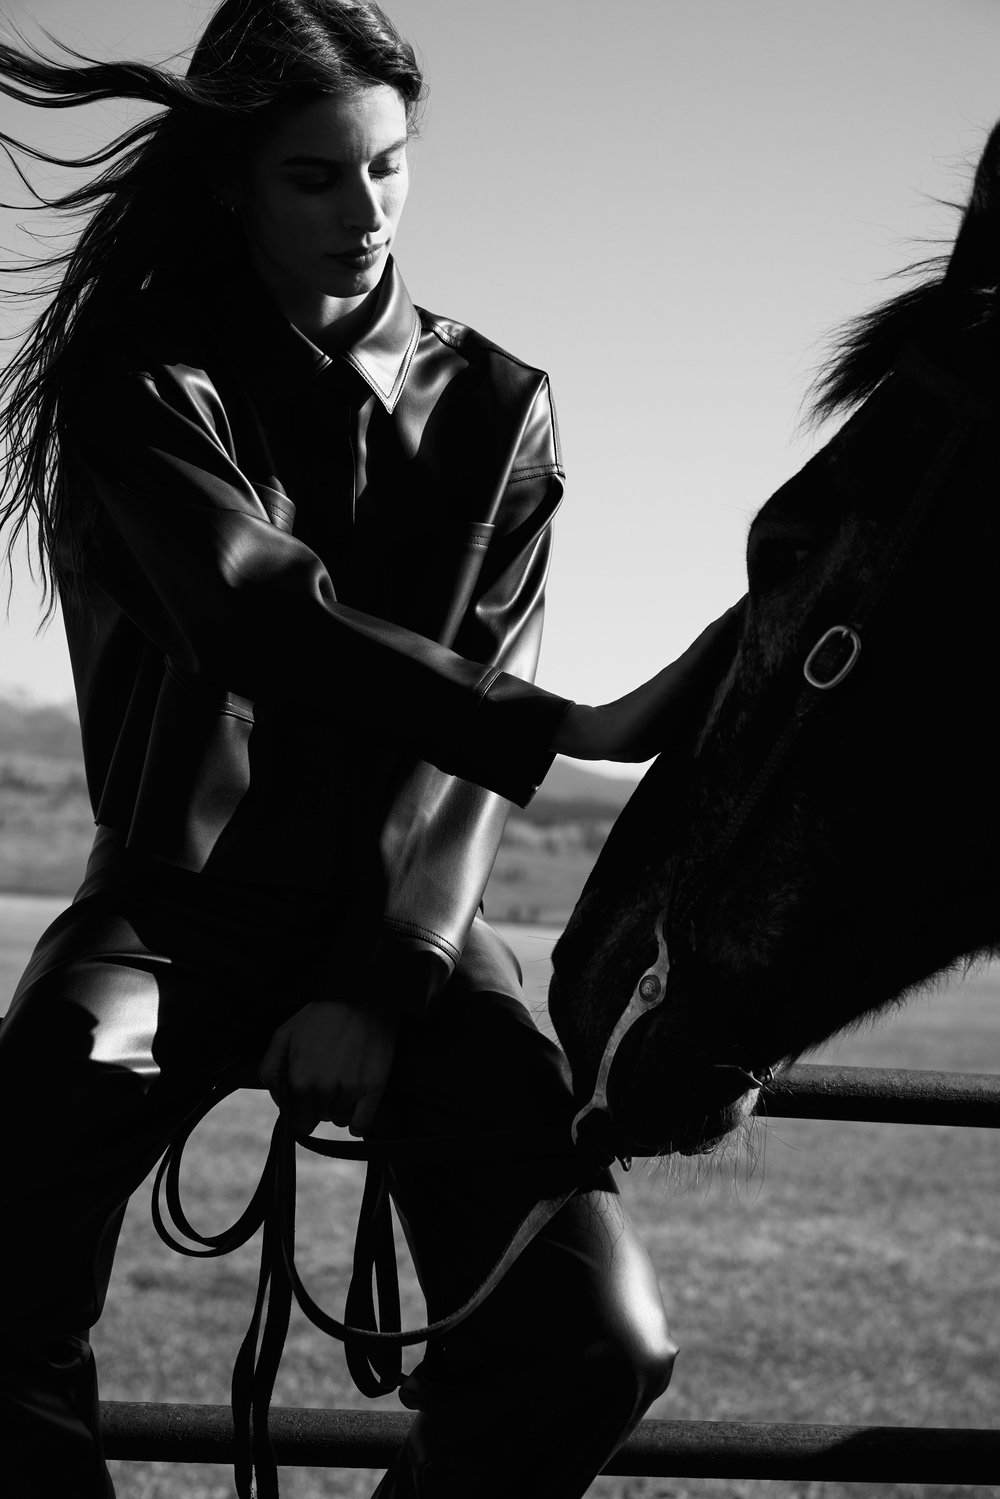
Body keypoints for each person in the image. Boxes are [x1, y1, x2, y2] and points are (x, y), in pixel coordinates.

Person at [0, 3, 741, 1495]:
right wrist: (573, 731)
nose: (367, 212)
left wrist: (387, 978)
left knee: (598, 1343)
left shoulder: (502, 407)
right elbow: (245, 608)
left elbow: (461, 747)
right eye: (315, 176)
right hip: (172, 915)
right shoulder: (137, 372)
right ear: (234, 181)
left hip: (416, 923)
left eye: (390, 166)